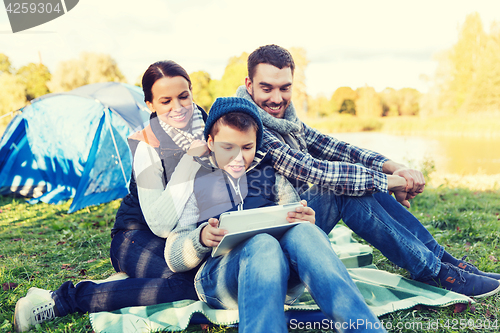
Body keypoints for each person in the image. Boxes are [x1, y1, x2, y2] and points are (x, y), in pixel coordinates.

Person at [232, 44, 500, 298]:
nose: (277, 98)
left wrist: (394, 167)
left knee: (361, 182)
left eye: (285, 88)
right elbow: (313, 171)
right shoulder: (248, 125)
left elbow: (337, 148)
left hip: (292, 225)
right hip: (265, 253)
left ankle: (445, 263)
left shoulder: (286, 121)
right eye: (266, 88)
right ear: (249, 84)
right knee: (341, 190)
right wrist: (389, 182)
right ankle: (436, 272)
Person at [14, 60, 208, 332]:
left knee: (210, 279)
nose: (178, 108)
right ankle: (63, 299)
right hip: (135, 237)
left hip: (184, 238)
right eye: (166, 101)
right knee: (189, 285)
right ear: (150, 105)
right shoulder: (147, 146)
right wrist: (191, 161)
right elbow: (161, 224)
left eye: (183, 96)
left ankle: (124, 284)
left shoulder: (210, 130)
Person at [165, 96, 387, 333]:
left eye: (247, 148)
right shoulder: (195, 180)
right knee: (261, 242)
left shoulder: (273, 177)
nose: (238, 159)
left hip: (277, 278)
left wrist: (305, 221)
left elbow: (293, 223)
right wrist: (200, 238)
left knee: (304, 232)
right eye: (227, 147)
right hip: (219, 280)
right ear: (210, 142)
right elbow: (173, 256)